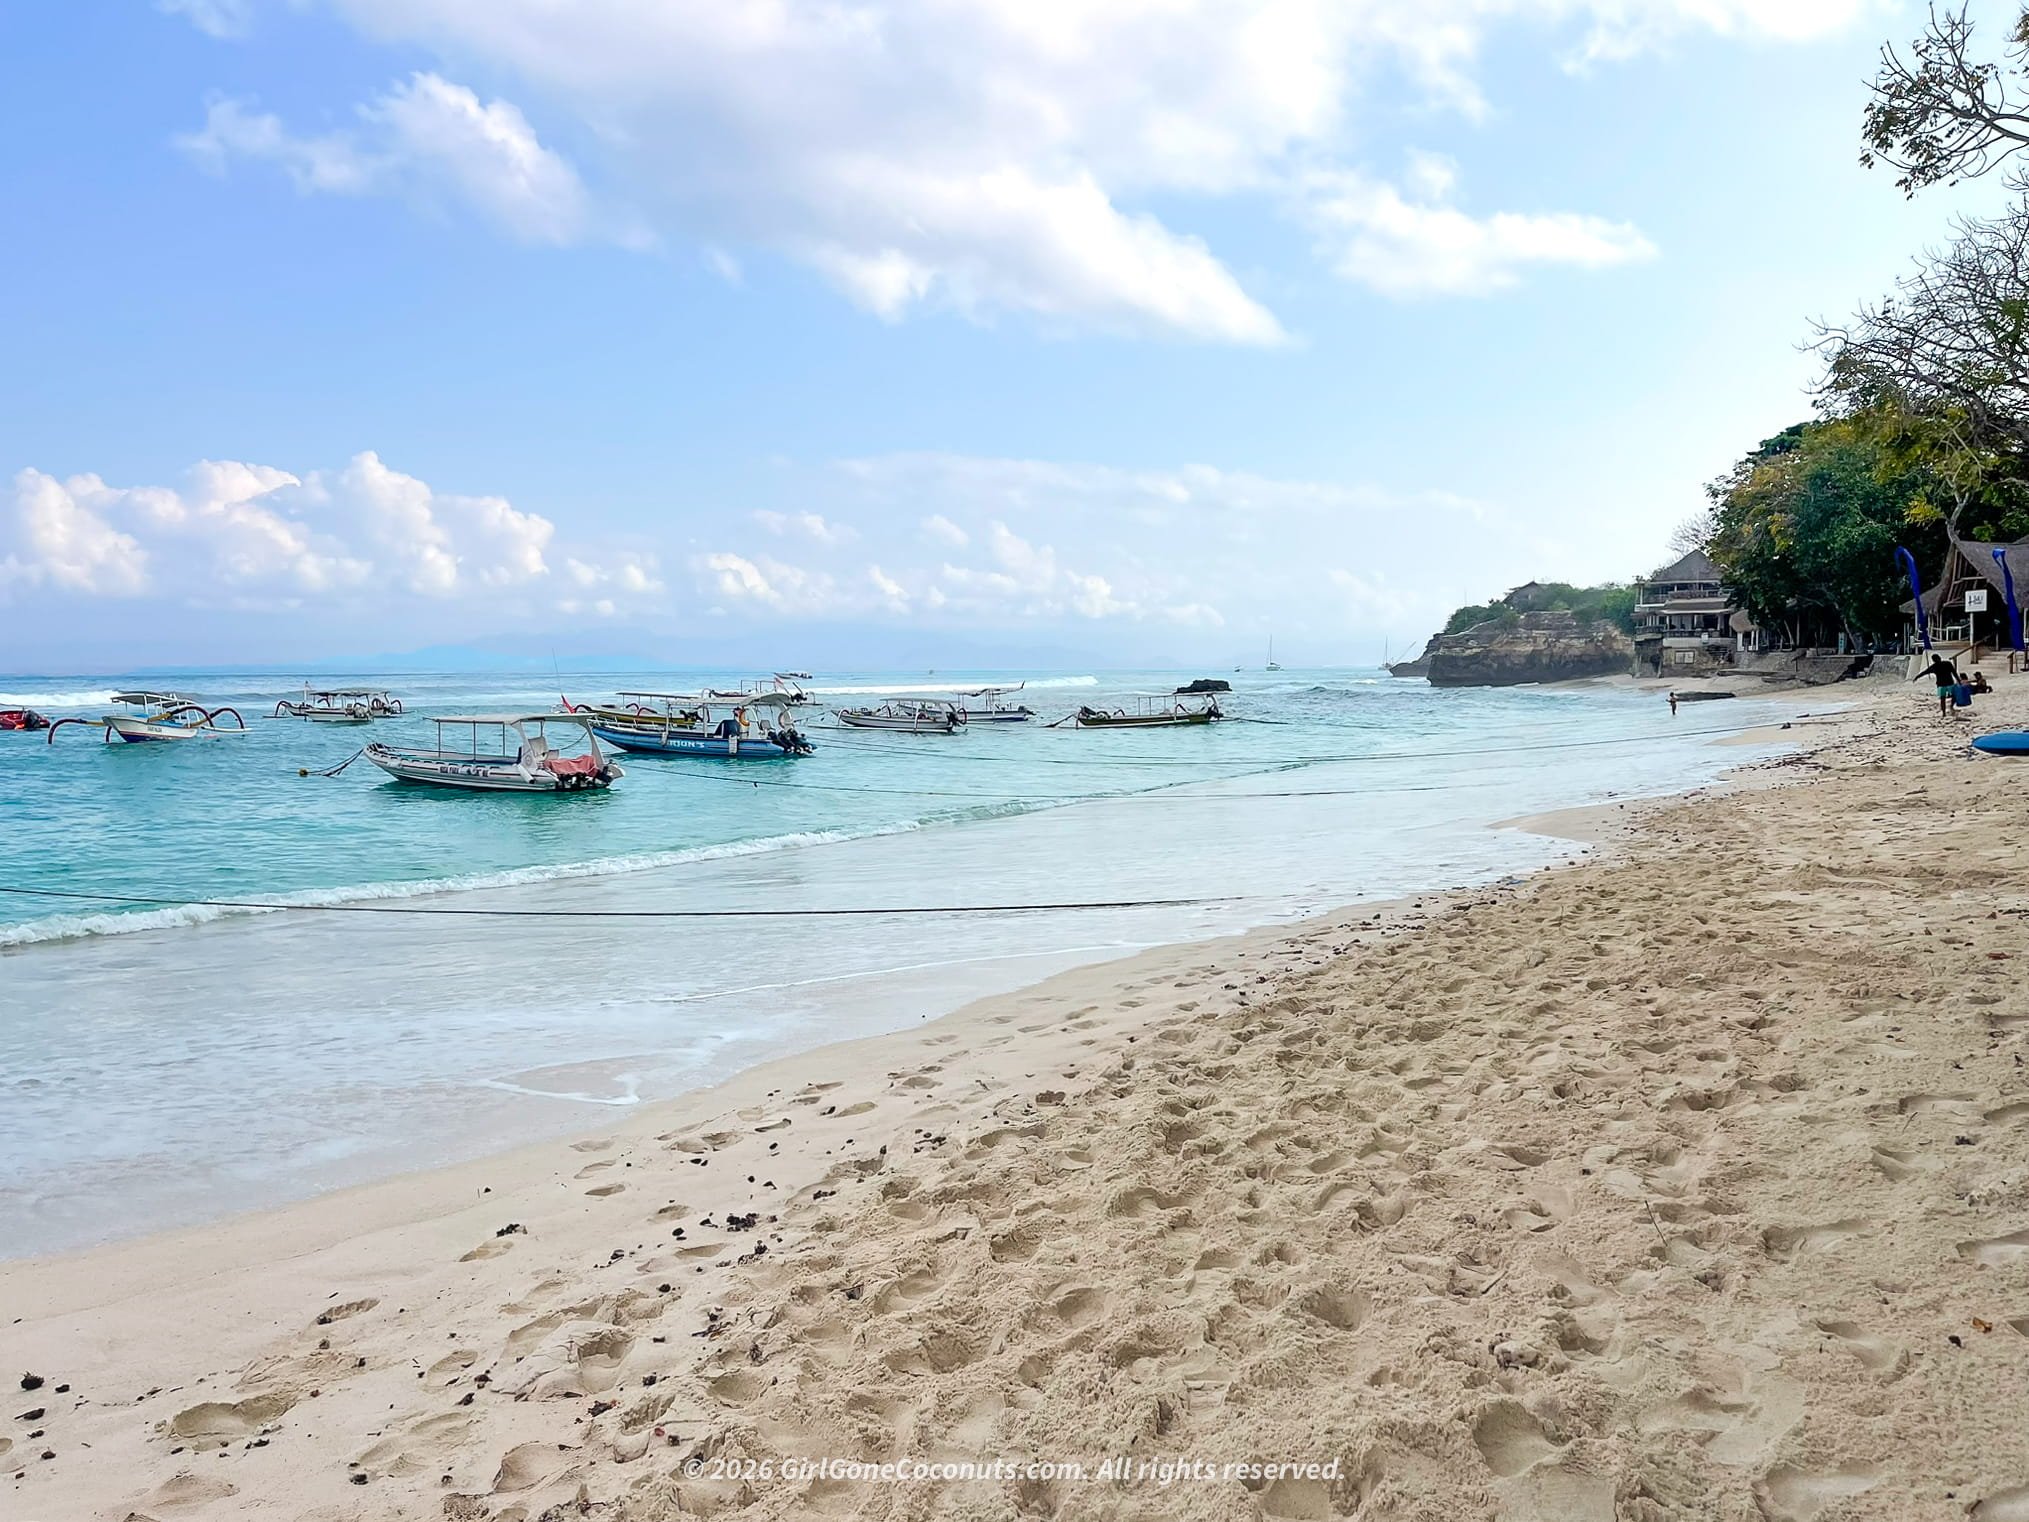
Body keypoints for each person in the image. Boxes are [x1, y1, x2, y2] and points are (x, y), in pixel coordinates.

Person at [1913, 652, 1961, 718]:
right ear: (1939, 658)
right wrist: (1959, 681)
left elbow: (1925, 672)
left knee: (1942, 698)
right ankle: (1951, 706)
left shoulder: (1934, 667)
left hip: (1941, 684)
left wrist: (1917, 677)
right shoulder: (1947, 664)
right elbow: (1954, 673)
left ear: (1933, 660)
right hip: (1949, 683)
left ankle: (1944, 712)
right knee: (1954, 695)